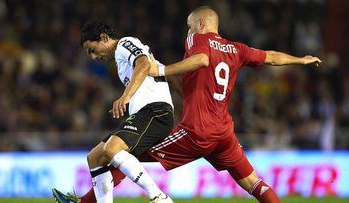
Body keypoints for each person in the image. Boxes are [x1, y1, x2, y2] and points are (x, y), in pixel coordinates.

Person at [59, 6, 322, 203]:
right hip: (223, 132)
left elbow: (201, 61)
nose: (187, 31)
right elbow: (271, 57)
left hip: (196, 131)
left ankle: (97, 201)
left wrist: (161, 69)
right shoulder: (236, 48)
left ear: (201, 22)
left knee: (122, 153)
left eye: (189, 25)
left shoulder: (197, 39)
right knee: (253, 183)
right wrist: (301, 59)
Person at [52, 20, 175, 203]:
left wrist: (125, 97)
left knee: (110, 149)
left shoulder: (125, 43)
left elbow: (144, 64)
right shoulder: (119, 60)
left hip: (156, 112)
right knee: (95, 157)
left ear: (103, 38)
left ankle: (159, 197)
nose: (93, 57)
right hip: (144, 114)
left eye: (92, 50)